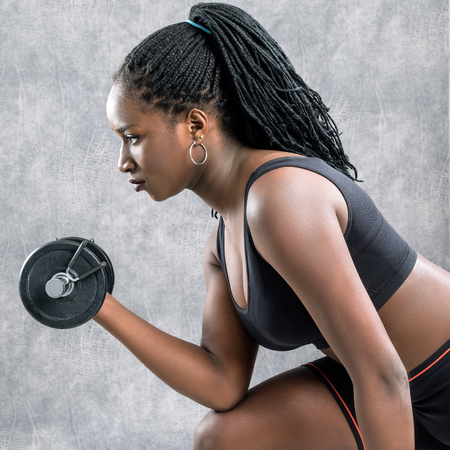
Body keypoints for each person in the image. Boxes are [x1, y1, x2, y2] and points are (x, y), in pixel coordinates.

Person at [94, 3, 450, 449]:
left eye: (133, 137)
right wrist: (98, 304)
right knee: (225, 438)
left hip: (426, 373)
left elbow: (382, 375)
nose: (123, 162)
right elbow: (221, 381)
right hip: (379, 382)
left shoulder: (280, 200)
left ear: (195, 125)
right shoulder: (222, 242)